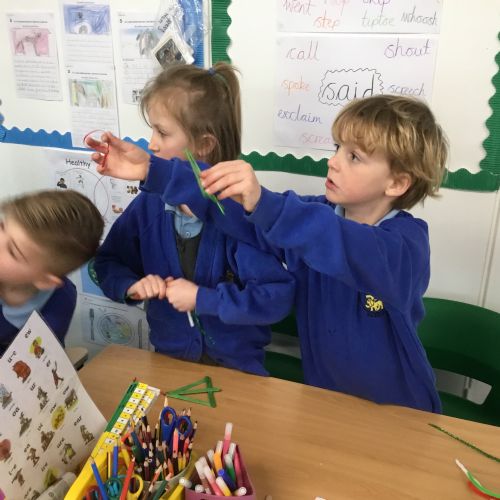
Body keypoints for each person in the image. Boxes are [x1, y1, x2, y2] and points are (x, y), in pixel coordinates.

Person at [87, 94, 447, 412]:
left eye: (354, 156)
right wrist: (155, 172)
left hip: (401, 409)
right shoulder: (310, 216)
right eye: (337, 148)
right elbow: (234, 214)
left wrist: (263, 202)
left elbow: (339, 242)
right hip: (327, 400)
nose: (334, 162)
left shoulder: (406, 244)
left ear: (397, 182)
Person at [89, 62, 294, 376]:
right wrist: (132, 286)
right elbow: (106, 263)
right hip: (168, 361)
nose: (152, 143)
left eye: (162, 132)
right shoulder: (149, 206)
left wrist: (203, 299)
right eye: (152, 129)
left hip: (235, 369)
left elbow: (275, 298)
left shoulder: (238, 214)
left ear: (204, 145)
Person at [0, 189, 104, 355]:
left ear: (45, 281)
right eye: (2, 227)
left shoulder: (59, 304)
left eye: (12, 251)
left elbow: (36, 360)